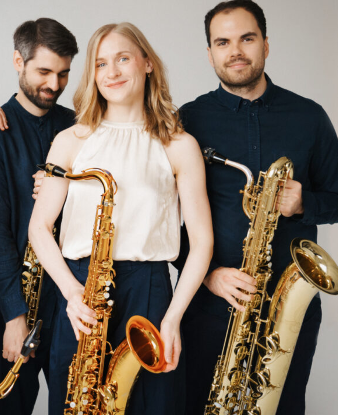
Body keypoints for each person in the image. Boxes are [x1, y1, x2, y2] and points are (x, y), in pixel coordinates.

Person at [176, 0, 338, 415]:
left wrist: (303, 203)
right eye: (223, 42)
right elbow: (163, 221)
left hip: (286, 309)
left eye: (247, 38)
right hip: (211, 305)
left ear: (266, 45)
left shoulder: (310, 117)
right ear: (210, 53)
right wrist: (209, 276)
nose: (235, 51)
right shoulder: (188, 121)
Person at [28, 22, 213, 415]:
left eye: (123, 59)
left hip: (149, 291)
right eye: (100, 63)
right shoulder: (70, 141)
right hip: (81, 290)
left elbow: (201, 242)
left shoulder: (179, 145)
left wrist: (173, 319)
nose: (111, 72)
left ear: (147, 63)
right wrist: (71, 292)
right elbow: (39, 228)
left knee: (151, 403)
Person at [0, 18, 78, 415]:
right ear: (19, 61)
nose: (54, 84)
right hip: (6, 301)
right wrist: (14, 316)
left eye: (63, 73)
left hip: (68, 296)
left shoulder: (78, 126)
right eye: (44, 71)